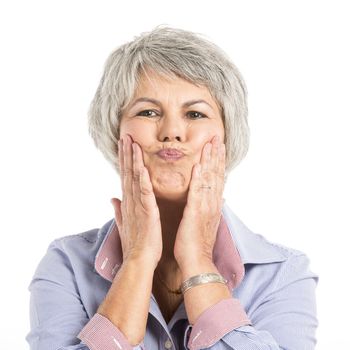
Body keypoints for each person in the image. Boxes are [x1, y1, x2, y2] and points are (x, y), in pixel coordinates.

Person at [26, 26, 319, 350]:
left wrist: (197, 263)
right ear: (114, 132)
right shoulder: (67, 265)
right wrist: (136, 262)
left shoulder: (283, 273)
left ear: (227, 137)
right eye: (148, 111)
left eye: (195, 113)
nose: (172, 132)